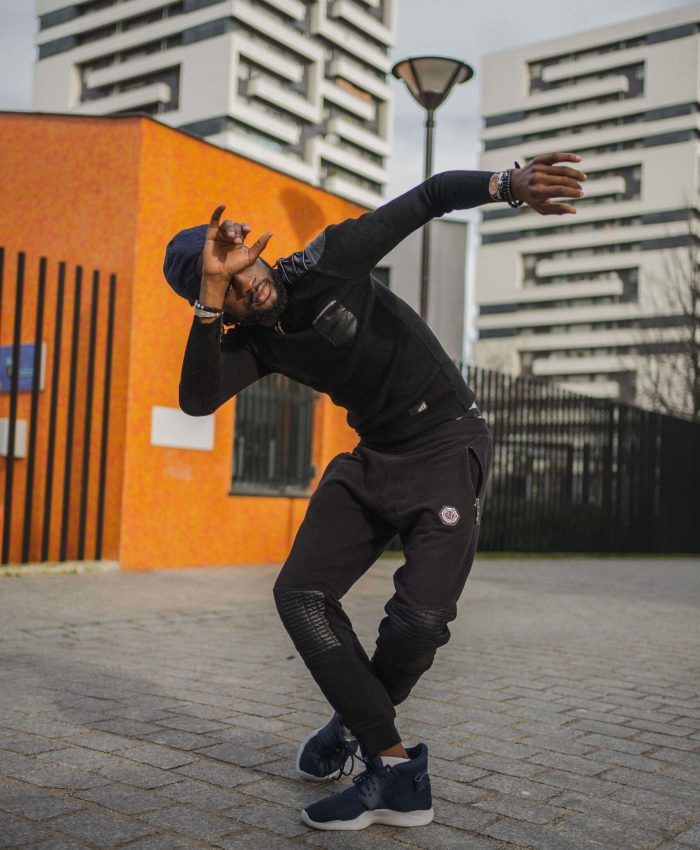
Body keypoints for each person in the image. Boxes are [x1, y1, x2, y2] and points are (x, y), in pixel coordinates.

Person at [163, 153, 586, 831]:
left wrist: (508, 187)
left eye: (245, 268)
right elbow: (195, 400)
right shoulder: (254, 339)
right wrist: (209, 306)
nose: (251, 286)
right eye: (230, 288)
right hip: (375, 460)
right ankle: (393, 769)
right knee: (298, 595)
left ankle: (354, 726)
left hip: (447, 441)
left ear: (254, 251)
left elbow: (428, 197)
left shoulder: (328, 262)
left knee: (418, 626)